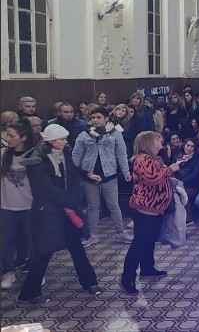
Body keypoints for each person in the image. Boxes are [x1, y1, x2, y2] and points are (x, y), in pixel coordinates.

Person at [18, 124, 102, 303]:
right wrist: (71, 202)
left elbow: (71, 176)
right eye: (61, 139)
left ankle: (90, 282)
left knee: (76, 248)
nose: (65, 141)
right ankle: (29, 292)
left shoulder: (64, 152)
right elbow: (45, 189)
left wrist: (84, 179)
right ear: (51, 141)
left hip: (66, 211)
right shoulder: (37, 161)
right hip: (47, 213)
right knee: (44, 252)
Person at [120, 131, 182, 295]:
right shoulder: (143, 159)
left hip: (155, 207)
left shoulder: (154, 158)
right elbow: (152, 178)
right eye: (158, 141)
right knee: (140, 242)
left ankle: (147, 267)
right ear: (149, 143)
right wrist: (170, 169)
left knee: (150, 240)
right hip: (145, 207)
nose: (162, 144)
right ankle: (127, 278)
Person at [72, 107, 133, 247]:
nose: (95, 120)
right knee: (93, 206)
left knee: (114, 205)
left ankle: (120, 233)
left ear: (106, 119)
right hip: (89, 175)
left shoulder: (115, 134)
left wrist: (126, 172)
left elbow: (121, 154)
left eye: (98, 117)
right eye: (93, 117)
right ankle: (93, 235)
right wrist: (76, 173)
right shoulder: (84, 134)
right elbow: (76, 155)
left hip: (109, 174)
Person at [1, 122, 35, 289]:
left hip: (29, 206)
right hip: (7, 206)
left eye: (12, 136)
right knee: (6, 241)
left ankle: (36, 272)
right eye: (7, 135)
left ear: (23, 137)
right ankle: (9, 272)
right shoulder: (3, 155)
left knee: (32, 240)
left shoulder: (33, 156)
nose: (8, 139)